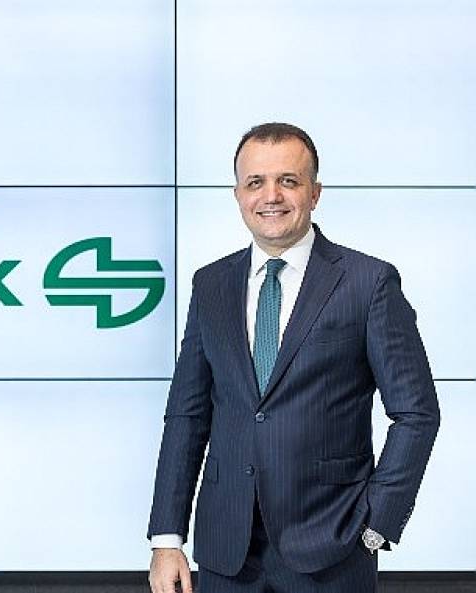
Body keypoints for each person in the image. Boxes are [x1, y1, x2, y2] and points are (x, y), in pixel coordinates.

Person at [146, 123, 440, 593]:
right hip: (227, 552)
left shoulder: (368, 283)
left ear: (315, 192)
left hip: (332, 550)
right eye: (255, 182)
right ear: (238, 195)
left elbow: (417, 413)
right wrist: (166, 538)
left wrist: (377, 524)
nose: (271, 196)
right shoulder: (210, 285)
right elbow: (187, 414)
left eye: (288, 180)